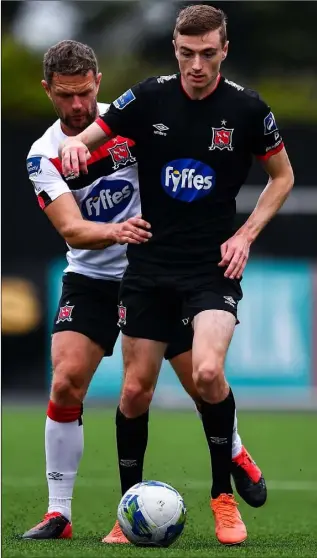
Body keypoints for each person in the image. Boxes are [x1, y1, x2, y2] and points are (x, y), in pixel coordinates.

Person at [22, 35, 267, 543]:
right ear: (47, 90)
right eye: (64, 95)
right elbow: (71, 230)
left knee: (204, 380)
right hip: (91, 276)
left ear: (98, 83)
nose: (77, 106)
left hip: (156, 271)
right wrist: (117, 230)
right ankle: (59, 513)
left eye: (85, 93)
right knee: (67, 380)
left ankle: (235, 450)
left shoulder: (133, 117)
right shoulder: (43, 154)